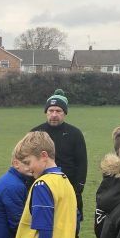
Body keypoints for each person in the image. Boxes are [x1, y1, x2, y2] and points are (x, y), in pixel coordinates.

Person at [31, 90, 88, 218]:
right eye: (51, 111)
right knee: (44, 225)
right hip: (42, 189)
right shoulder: (35, 133)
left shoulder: (75, 134)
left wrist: (78, 187)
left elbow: (82, 162)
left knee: (71, 229)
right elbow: (28, 160)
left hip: (69, 189)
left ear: (65, 113)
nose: (54, 114)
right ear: (46, 112)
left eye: (58, 111)